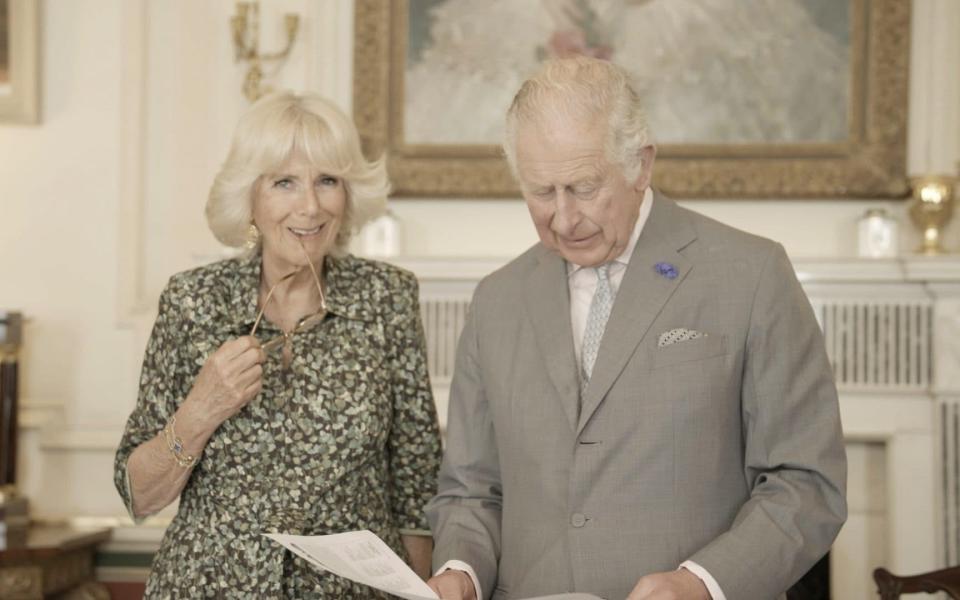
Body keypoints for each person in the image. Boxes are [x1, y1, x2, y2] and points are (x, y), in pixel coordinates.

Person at [425, 57, 846, 600]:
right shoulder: (497, 299)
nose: (562, 219)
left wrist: (702, 583)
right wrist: (461, 569)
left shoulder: (751, 274)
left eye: (582, 187)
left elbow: (807, 484)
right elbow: (470, 489)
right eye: (539, 192)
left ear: (640, 165)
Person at [113, 91, 442, 598]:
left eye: (327, 181)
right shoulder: (193, 301)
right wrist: (203, 408)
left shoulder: (387, 296)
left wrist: (419, 592)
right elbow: (139, 495)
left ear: (348, 194)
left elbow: (417, 479)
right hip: (208, 586)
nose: (310, 206)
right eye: (284, 182)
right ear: (250, 197)